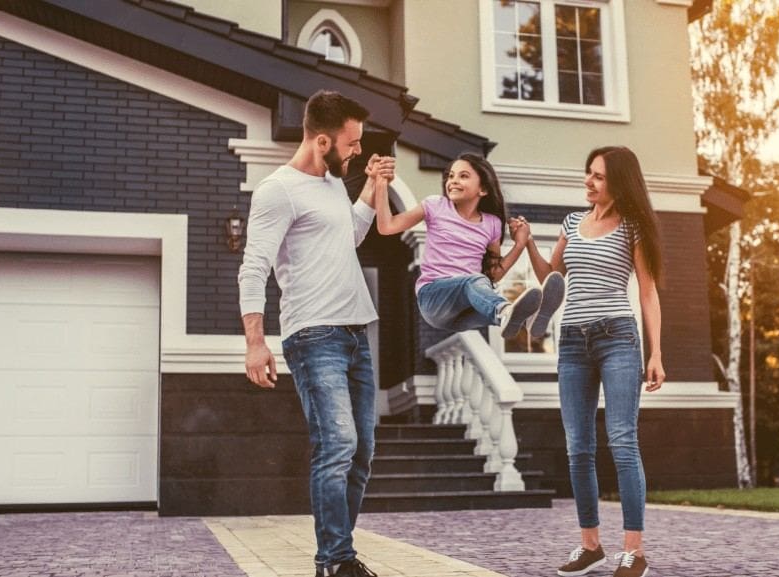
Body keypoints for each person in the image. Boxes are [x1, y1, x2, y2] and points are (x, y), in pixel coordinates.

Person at [237, 90, 390, 577]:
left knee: (362, 451)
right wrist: (255, 342)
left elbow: (349, 237)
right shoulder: (277, 190)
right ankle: (336, 561)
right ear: (321, 139)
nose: (357, 151)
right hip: (313, 335)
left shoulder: (332, 184)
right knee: (338, 444)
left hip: (355, 332)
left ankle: (339, 552)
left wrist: (370, 188)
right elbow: (253, 266)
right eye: (351, 143)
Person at [522, 146, 666, 577]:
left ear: (618, 182)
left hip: (618, 338)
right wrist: (528, 240)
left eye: (599, 176)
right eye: (588, 173)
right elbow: (551, 275)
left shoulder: (634, 227)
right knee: (577, 448)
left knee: (622, 441)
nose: (588, 181)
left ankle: (634, 551)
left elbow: (647, 292)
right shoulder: (572, 222)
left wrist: (655, 352)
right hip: (571, 342)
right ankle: (590, 546)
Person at [371, 152, 565, 338]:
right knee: (475, 283)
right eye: (450, 176)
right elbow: (387, 226)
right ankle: (504, 310)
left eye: (463, 176)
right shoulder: (435, 206)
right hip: (433, 298)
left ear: (483, 189)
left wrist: (520, 244)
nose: (453, 181)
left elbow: (494, 274)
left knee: (484, 289)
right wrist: (380, 184)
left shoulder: (492, 223)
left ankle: (530, 319)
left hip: (463, 310)